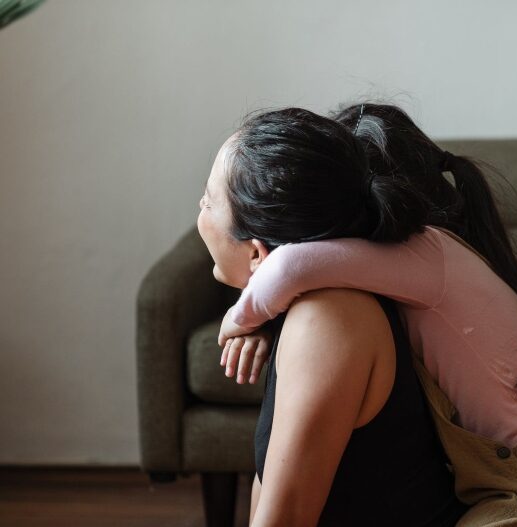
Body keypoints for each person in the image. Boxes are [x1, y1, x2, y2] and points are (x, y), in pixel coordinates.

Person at [218, 103, 517, 526]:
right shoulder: (407, 274)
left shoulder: (427, 250)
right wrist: (269, 323)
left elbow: (291, 265)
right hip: (510, 480)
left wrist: (240, 319)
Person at [197, 108, 468, 526]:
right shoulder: (316, 301)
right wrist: (261, 320)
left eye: (208, 202)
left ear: (257, 253)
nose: (199, 211)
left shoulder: (325, 320)